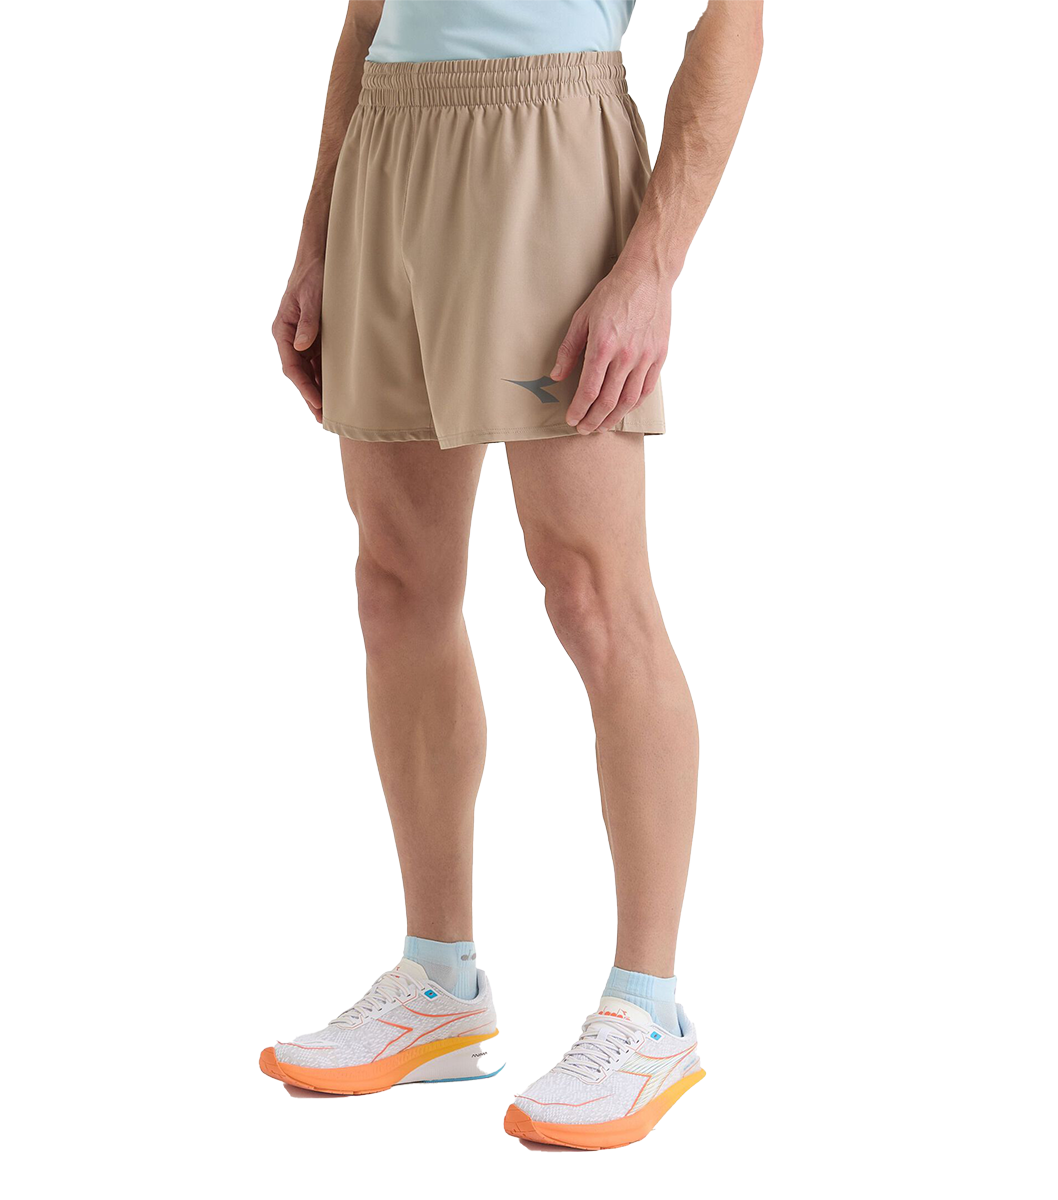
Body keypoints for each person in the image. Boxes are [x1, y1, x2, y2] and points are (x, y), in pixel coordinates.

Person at [262, 0, 762, 1150]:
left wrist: (652, 268)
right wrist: (317, 233)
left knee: (591, 594)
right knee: (394, 585)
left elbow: (731, 27)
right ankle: (440, 986)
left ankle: (651, 1015)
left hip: (549, 139)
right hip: (389, 144)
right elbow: (367, 17)